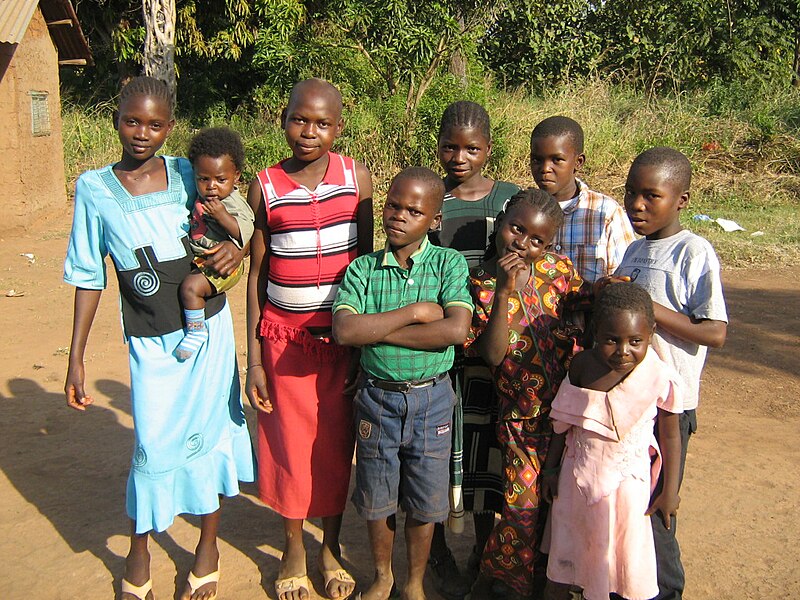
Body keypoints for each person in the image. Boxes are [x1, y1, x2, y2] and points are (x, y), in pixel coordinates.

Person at [63, 76, 255, 600]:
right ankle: (140, 549)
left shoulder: (189, 171)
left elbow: (241, 218)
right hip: (151, 340)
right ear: (116, 117)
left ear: (170, 128)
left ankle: (207, 547)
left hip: (208, 330)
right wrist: (76, 357)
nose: (141, 133)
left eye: (154, 124)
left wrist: (236, 251)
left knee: (212, 430)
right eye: (131, 120)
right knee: (151, 444)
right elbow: (87, 273)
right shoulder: (93, 189)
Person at [245, 78, 374, 600]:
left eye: (322, 123)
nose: (309, 132)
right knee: (288, 447)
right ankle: (293, 547)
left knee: (335, 444)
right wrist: (254, 357)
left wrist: (364, 348)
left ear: (338, 128)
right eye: (300, 119)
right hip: (283, 339)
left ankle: (331, 546)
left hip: (341, 343)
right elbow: (256, 274)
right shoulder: (265, 185)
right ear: (284, 119)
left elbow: (367, 266)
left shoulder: (356, 178)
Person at [332, 167, 473, 600]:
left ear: (433, 220)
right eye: (394, 205)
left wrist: (372, 329)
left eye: (414, 210)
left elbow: (454, 331)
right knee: (377, 497)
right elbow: (344, 332)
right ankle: (382, 576)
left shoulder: (448, 263)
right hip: (378, 400)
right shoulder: (363, 270)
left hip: (432, 399)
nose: (399, 215)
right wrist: (412, 314)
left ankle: (413, 582)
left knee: (426, 501)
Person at [604, 146, 728, 600]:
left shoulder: (694, 252)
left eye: (651, 196)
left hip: (670, 408)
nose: (637, 205)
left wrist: (648, 309)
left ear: (681, 200)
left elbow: (714, 332)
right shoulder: (634, 250)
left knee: (658, 508)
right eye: (631, 194)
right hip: (629, 405)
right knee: (626, 503)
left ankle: (667, 589)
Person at [466, 189, 584, 600]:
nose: (523, 244)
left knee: (560, 506)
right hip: (521, 420)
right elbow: (494, 355)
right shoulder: (480, 283)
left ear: (548, 245)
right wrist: (504, 290)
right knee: (522, 508)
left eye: (537, 240)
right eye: (517, 229)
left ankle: (545, 581)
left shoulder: (558, 269)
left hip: (570, 416)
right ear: (502, 222)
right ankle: (498, 581)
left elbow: (582, 303)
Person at [427, 100, 520, 599]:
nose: (459, 156)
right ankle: (436, 552)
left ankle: (487, 556)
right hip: (440, 350)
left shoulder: (510, 200)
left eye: (471, 148)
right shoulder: (427, 195)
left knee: (488, 453)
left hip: (491, 349)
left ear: (488, 149)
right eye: (450, 146)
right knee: (435, 450)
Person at [540, 282, 683, 600]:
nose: (623, 351)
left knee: (619, 559)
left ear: (652, 332)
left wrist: (670, 491)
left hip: (626, 490)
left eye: (635, 341)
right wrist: (550, 471)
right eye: (611, 340)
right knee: (571, 557)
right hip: (575, 481)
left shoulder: (658, 376)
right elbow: (562, 422)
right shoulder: (581, 367)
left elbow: (671, 436)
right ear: (594, 333)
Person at [175, 126, 255, 360]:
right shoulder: (203, 196)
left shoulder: (231, 202)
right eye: (203, 179)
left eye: (221, 180)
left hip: (225, 263)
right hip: (202, 259)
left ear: (236, 176)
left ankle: (196, 332)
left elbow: (244, 233)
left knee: (190, 289)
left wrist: (222, 216)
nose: (212, 186)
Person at [530, 116, 635, 285]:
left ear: (578, 162)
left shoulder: (605, 213)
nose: (545, 169)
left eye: (557, 160)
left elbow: (625, 278)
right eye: (537, 160)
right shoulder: (524, 210)